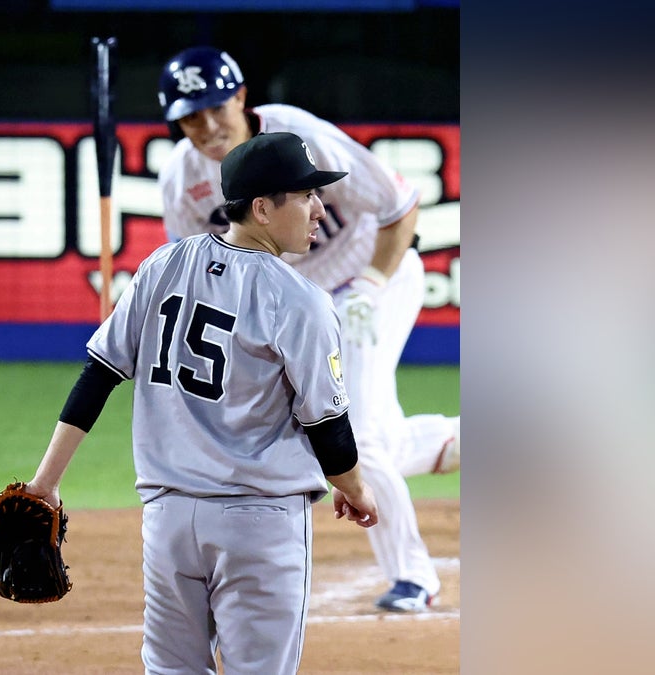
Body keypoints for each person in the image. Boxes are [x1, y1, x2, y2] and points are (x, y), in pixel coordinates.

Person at [22, 131, 380, 674]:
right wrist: (356, 490)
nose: (319, 210)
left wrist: (45, 482)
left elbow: (98, 376)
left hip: (167, 521)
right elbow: (328, 426)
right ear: (262, 209)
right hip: (257, 524)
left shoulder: (163, 264)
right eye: (306, 195)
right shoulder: (301, 301)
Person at [156, 46, 460, 612]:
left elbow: (400, 206)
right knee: (377, 443)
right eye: (191, 117)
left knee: (354, 435)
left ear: (241, 97)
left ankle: (414, 578)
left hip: (375, 281)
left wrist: (370, 285)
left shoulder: (302, 137)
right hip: (303, 306)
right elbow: (203, 266)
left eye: (216, 108)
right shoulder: (182, 178)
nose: (207, 126)